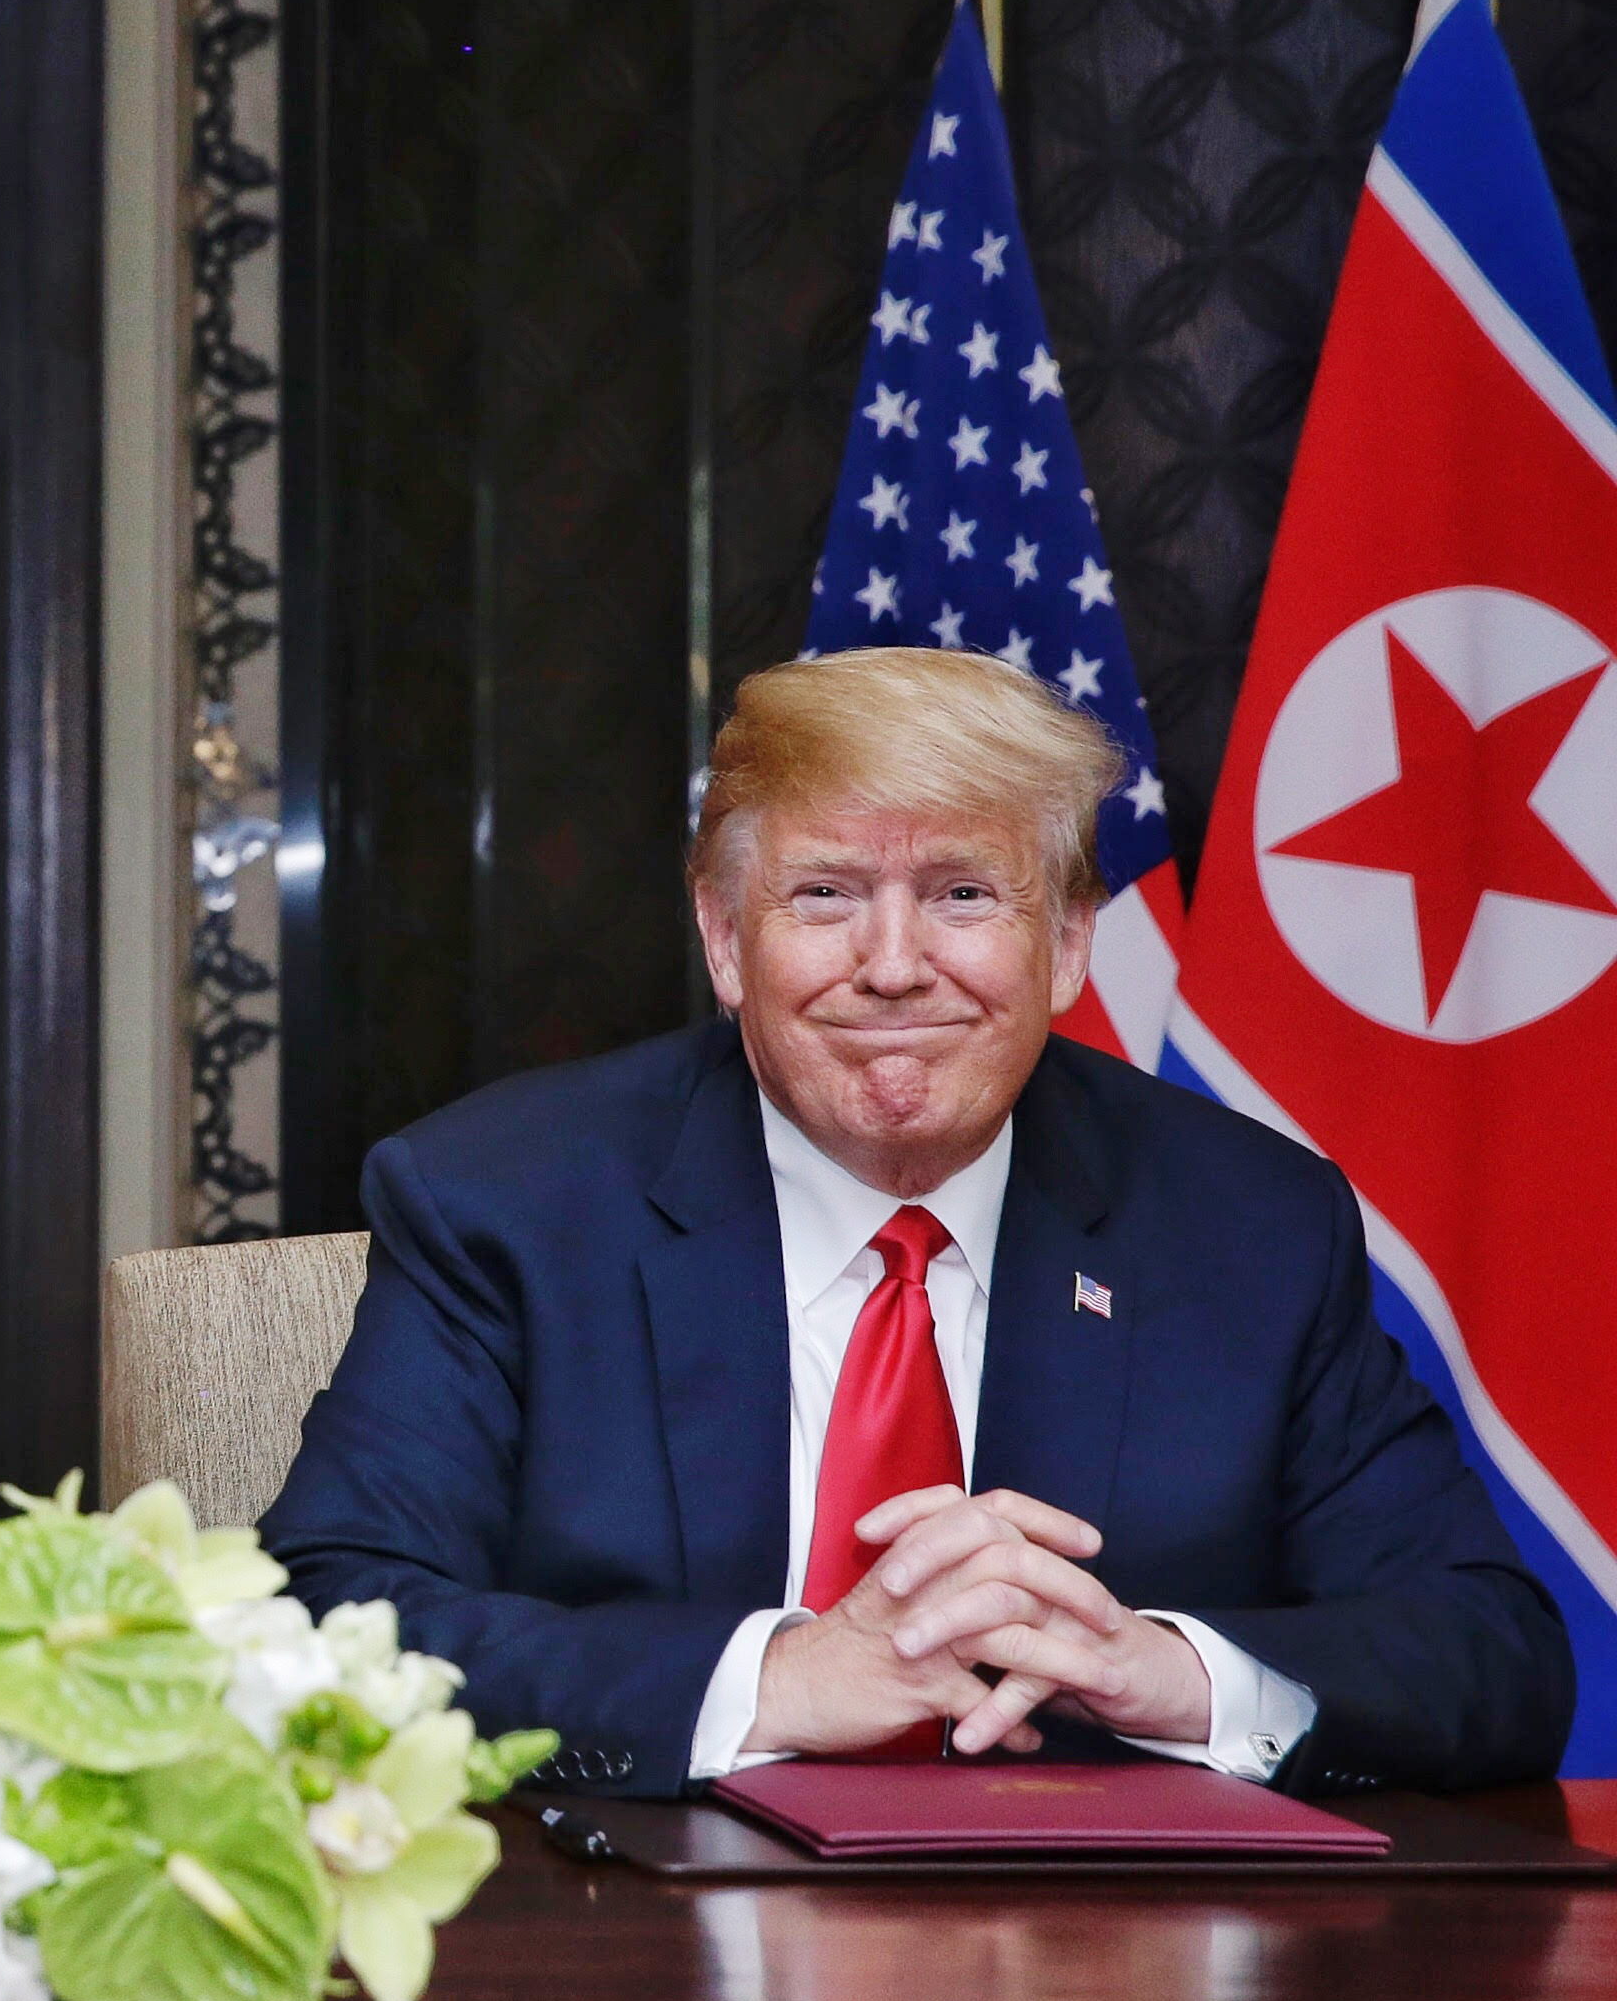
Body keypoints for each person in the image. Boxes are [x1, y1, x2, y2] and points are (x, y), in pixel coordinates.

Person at [263, 647, 1572, 1800]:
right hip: (638, 1965)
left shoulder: (1251, 1230)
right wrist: (776, 1682)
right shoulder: (504, 1200)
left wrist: (1168, 1672)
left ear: (1066, 945)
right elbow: (325, 1621)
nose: (893, 965)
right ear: (726, 941)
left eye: (961, 896)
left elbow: (1492, 1657)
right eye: (825, 895)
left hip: (1113, 1992)